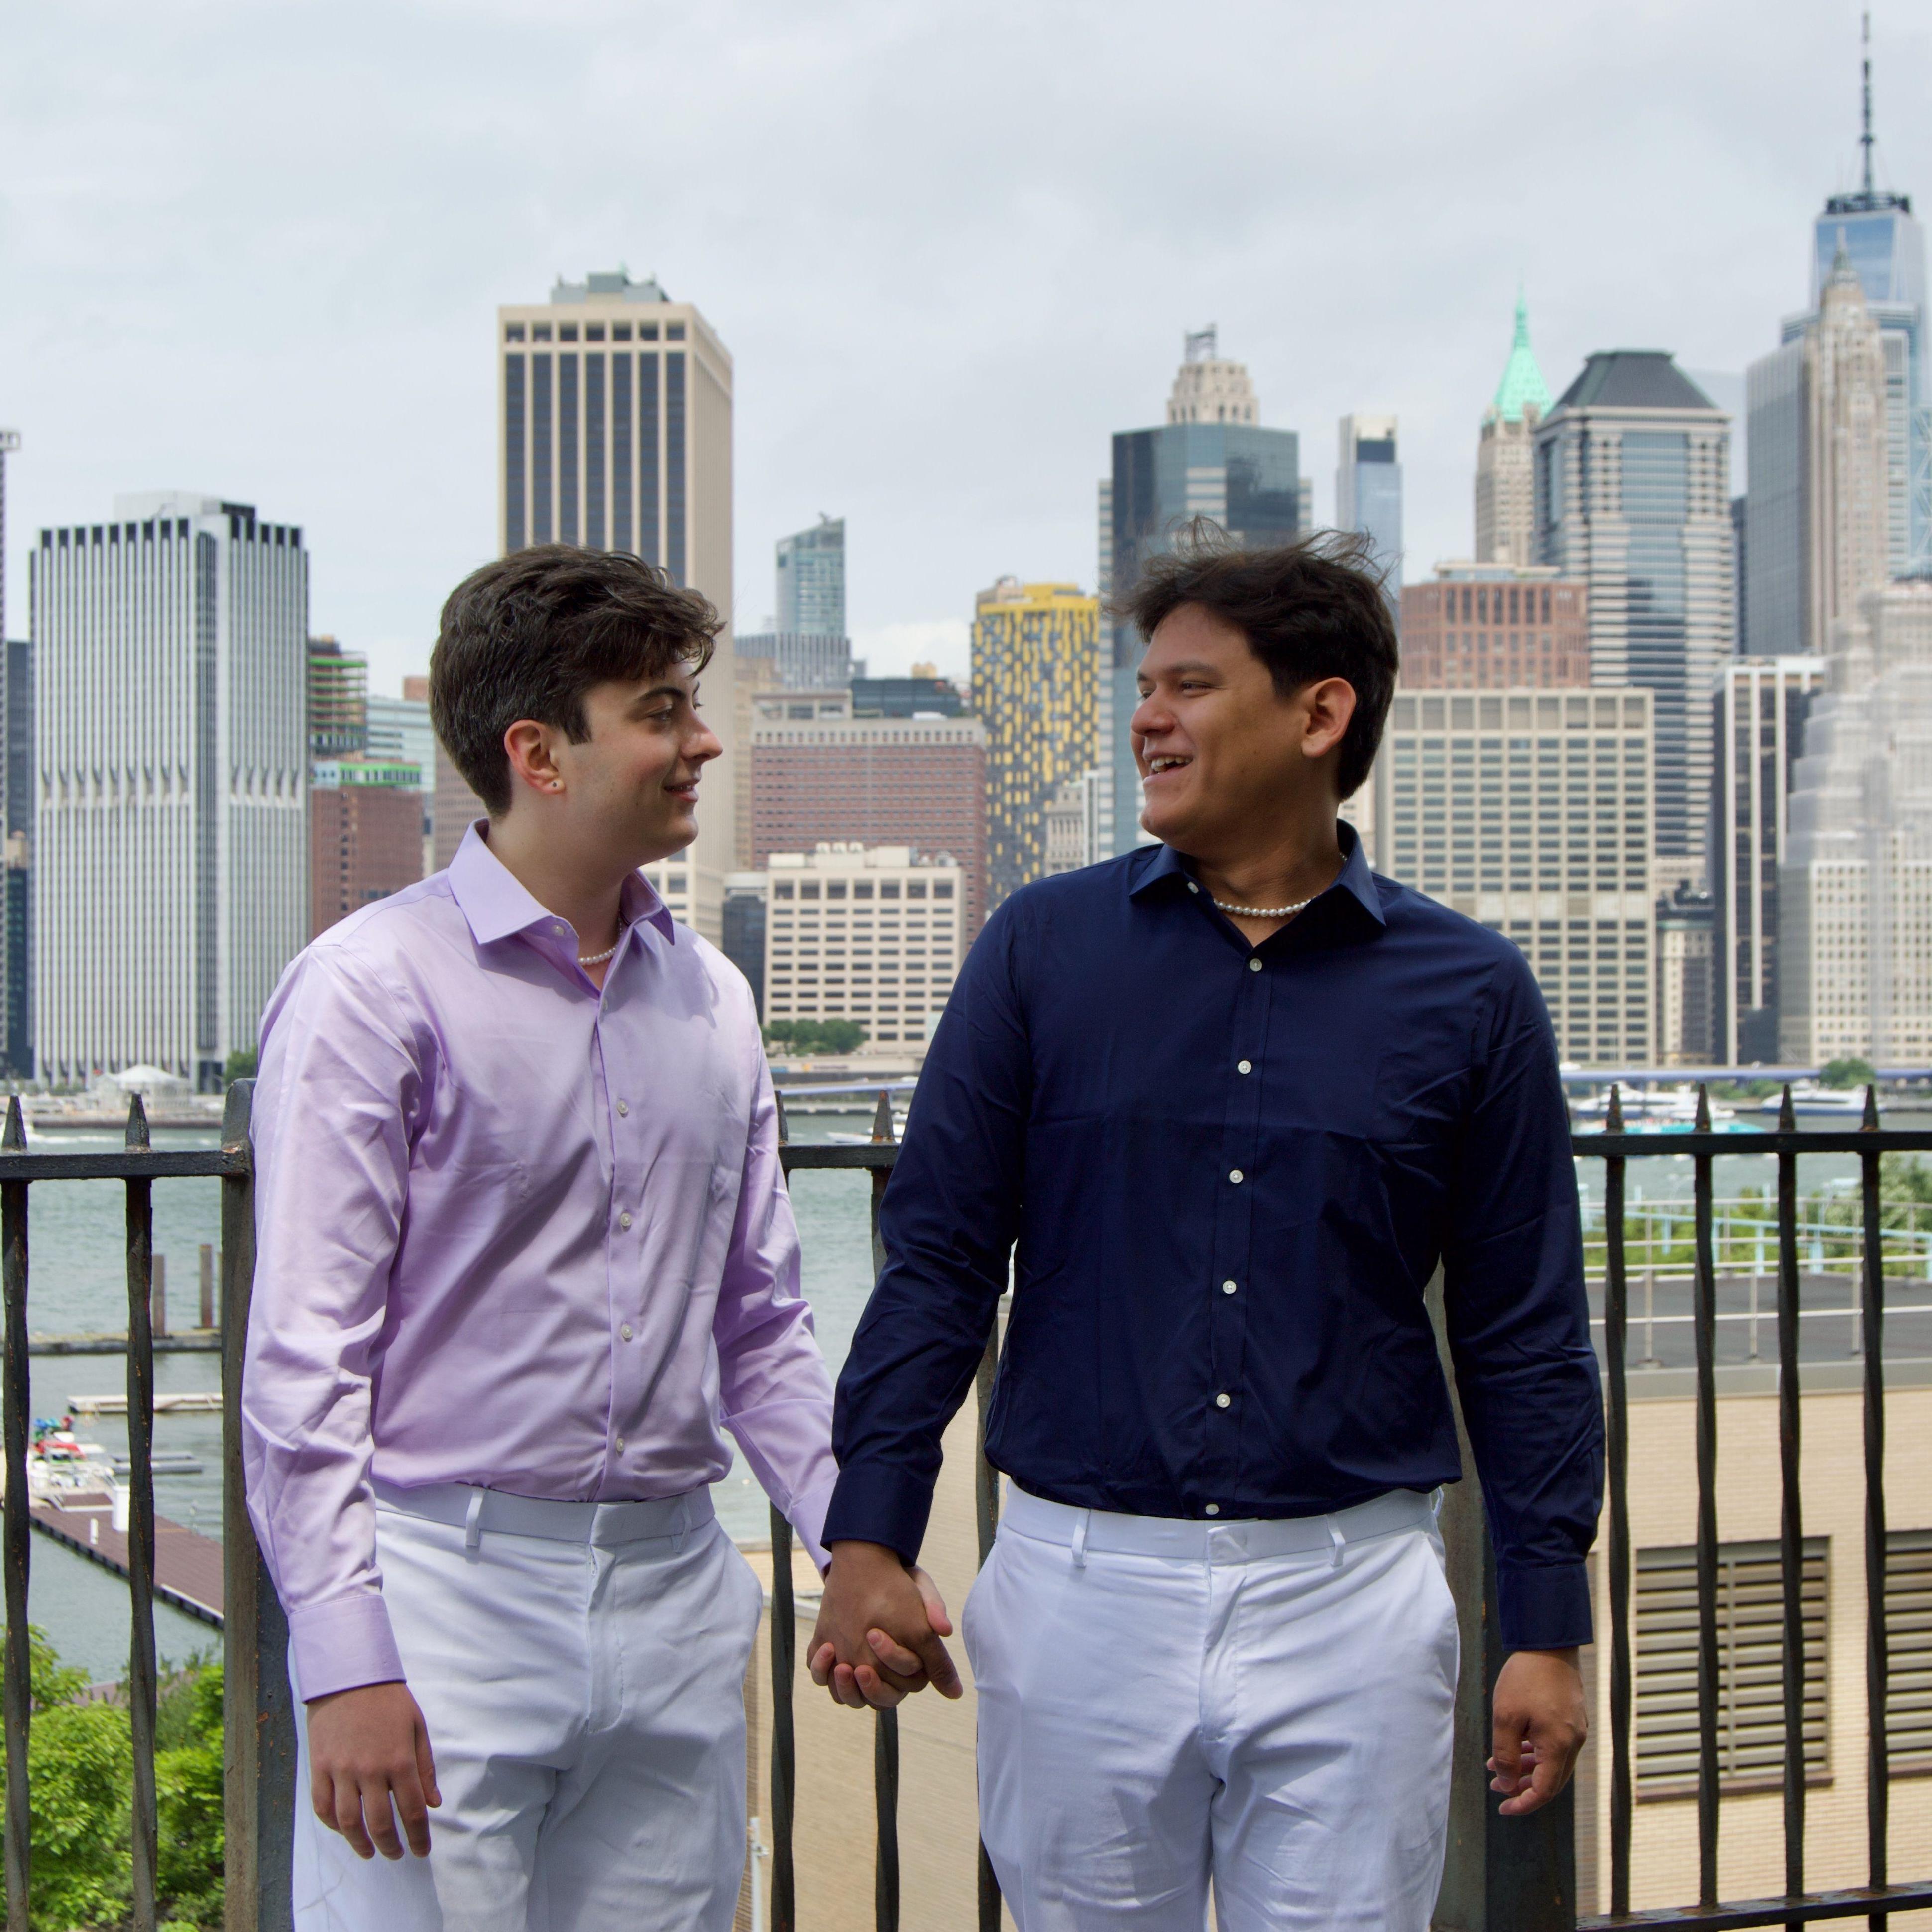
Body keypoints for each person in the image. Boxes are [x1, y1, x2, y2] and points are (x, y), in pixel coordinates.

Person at [808, 533, 1603, 1931]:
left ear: (1318, 713)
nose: (1145, 717)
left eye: (1188, 684)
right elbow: (936, 1257)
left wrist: (1544, 1622)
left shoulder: (1470, 993)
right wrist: (868, 1529)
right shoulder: (1038, 951)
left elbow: (1523, 1329)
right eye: (1143, 684)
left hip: (1351, 1599)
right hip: (1077, 1589)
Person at [243, 545, 888, 1931]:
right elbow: (305, 1357)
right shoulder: (368, 987)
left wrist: (857, 1538)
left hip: (676, 1591)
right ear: (536, 750)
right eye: (659, 710)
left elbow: (764, 1327)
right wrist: (344, 1659)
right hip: (443, 1601)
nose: (700, 738)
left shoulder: (713, 997)